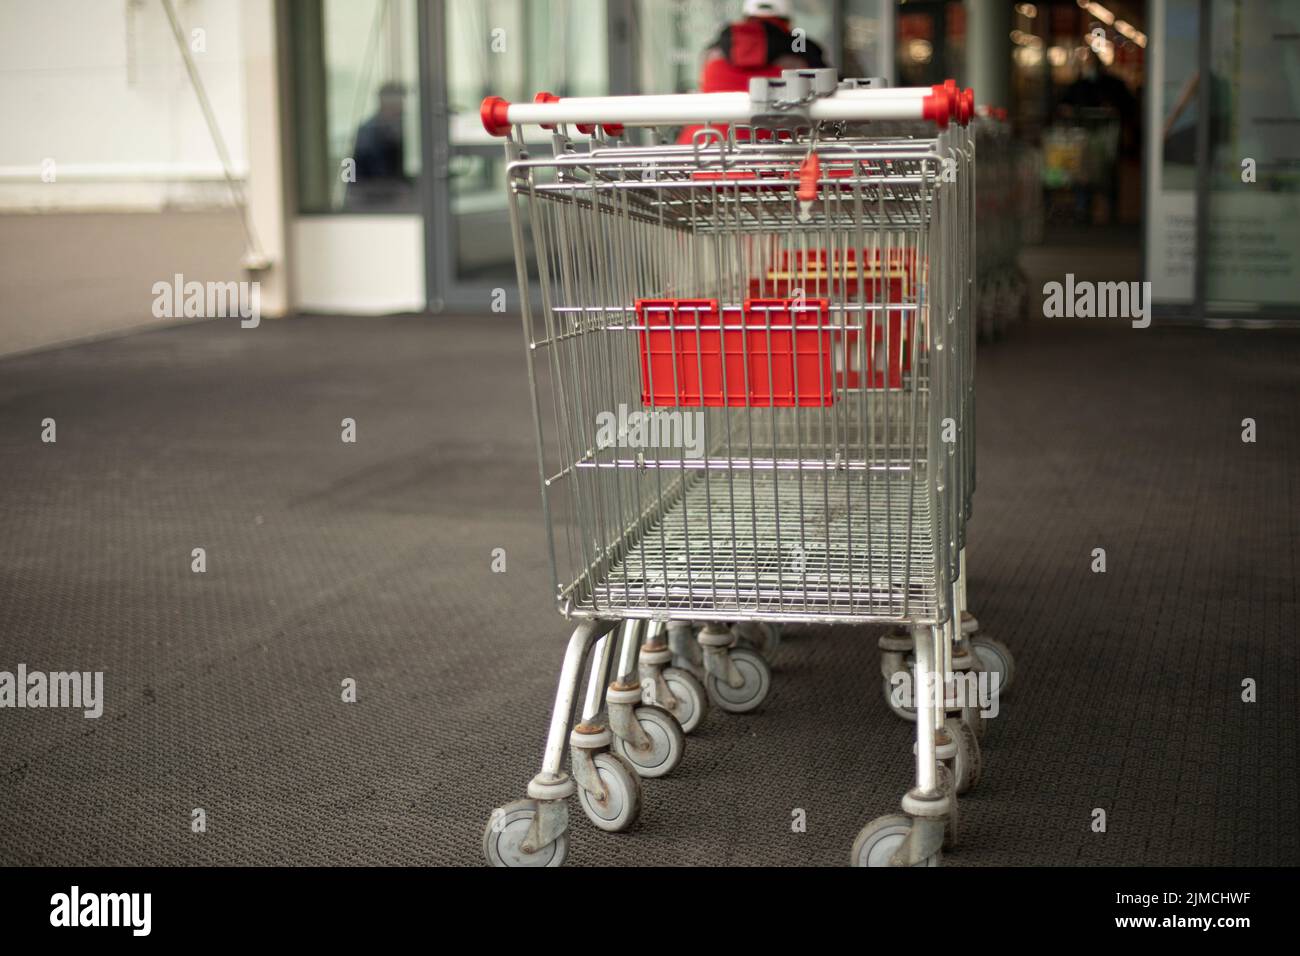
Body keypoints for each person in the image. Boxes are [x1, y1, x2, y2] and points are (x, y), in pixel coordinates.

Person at [678, 0, 831, 143]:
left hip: (703, 150)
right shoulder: (803, 51)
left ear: (746, 16)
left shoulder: (713, 51)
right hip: (776, 156)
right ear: (788, 20)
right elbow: (829, 95)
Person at [345, 82, 415, 210]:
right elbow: (377, 176)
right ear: (388, 104)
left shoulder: (392, 129)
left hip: (380, 194)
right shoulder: (371, 132)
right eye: (400, 103)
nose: (404, 109)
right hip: (369, 200)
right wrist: (402, 189)